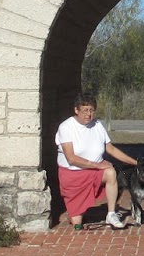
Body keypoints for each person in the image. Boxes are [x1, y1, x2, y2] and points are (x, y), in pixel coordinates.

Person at [55, 92, 138, 230]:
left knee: (110, 172)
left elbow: (110, 149)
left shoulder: (98, 125)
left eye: (92, 110)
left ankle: (111, 214)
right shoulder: (66, 127)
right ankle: (75, 212)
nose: (89, 114)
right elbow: (71, 158)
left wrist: (135, 162)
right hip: (73, 175)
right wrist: (97, 165)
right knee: (77, 222)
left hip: (94, 172)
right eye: (85, 110)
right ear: (76, 110)